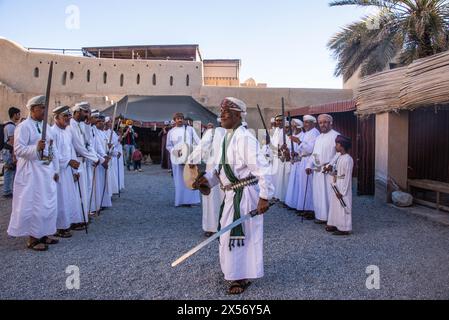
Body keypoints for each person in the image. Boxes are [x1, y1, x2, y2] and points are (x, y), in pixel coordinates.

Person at [194, 97, 274, 295]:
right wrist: (207, 181)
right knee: (227, 235)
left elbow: (262, 168)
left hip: (245, 195)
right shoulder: (228, 137)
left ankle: (240, 276)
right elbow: (221, 168)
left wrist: (265, 196)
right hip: (231, 194)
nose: (221, 114)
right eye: (221, 111)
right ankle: (231, 271)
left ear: (238, 115)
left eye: (226, 111)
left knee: (240, 236)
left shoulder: (245, 138)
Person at [7, 96, 60, 251]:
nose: (44, 111)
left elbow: (52, 148)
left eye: (45, 108)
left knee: (46, 203)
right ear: (32, 109)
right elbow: (18, 150)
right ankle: (33, 238)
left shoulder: (46, 126)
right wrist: (35, 148)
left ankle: (43, 233)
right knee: (34, 204)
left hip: (46, 171)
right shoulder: (23, 127)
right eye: (41, 108)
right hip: (31, 173)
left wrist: (55, 169)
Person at [188, 119, 226, 237]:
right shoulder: (213, 132)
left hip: (220, 168)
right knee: (222, 196)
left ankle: (212, 227)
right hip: (220, 168)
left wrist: (192, 160)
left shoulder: (215, 132)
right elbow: (202, 147)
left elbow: (201, 148)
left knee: (213, 198)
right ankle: (224, 227)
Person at [51, 106, 82, 238]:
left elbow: (71, 150)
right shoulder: (52, 132)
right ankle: (59, 227)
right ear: (56, 118)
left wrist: (75, 167)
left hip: (68, 170)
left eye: (69, 116)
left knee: (69, 197)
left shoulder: (67, 132)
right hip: (57, 171)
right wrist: (68, 162)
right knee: (60, 199)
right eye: (65, 116)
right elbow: (53, 153)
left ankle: (69, 222)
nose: (68, 119)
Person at [68, 102, 99, 228]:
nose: (87, 115)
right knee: (77, 192)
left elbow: (87, 142)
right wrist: (95, 159)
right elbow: (79, 146)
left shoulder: (81, 124)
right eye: (85, 112)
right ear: (77, 111)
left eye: (88, 112)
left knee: (86, 190)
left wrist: (87, 125)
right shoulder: (71, 125)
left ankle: (83, 216)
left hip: (84, 160)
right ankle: (76, 219)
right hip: (76, 161)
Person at [305, 114, 340, 224]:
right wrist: (308, 165)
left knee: (329, 195)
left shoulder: (336, 136)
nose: (322, 124)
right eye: (320, 122)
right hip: (318, 171)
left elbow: (339, 153)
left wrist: (330, 165)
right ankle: (321, 216)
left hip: (329, 171)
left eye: (325, 122)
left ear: (330, 123)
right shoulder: (318, 138)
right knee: (319, 194)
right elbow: (313, 154)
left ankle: (332, 218)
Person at [166, 112, 201, 207]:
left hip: (189, 157)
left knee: (190, 177)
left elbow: (198, 142)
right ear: (174, 120)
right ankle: (180, 200)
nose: (180, 120)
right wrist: (175, 151)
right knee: (179, 179)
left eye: (181, 118)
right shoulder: (171, 132)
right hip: (177, 158)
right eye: (178, 118)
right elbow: (168, 146)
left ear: (184, 119)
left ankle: (190, 201)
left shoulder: (190, 129)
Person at [325, 135, 354, 236]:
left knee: (343, 206)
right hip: (337, 183)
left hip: (343, 186)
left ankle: (344, 228)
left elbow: (347, 177)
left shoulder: (348, 159)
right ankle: (335, 224)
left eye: (337, 144)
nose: (335, 146)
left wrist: (342, 192)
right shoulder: (339, 157)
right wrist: (330, 171)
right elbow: (336, 171)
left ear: (342, 146)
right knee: (335, 206)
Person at [295, 115, 320, 219]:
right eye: (304, 122)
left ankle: (312, 210)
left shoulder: (315, 133)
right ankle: (305, 207)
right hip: (303, 160)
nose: (305, 124)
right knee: (303, 185)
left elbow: (310, 149)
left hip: (310, 160)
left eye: (307, 122)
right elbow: (302, 149)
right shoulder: (307, 133)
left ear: (313, 123)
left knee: (309, 186)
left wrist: (299, 142)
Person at [284, 119, 304, 210]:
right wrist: (288, 151)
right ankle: (291, 203)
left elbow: (305, 150)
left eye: (293, 126)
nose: (291, 128)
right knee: (292, 184)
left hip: (300, 164)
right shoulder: (292, 137)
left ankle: (299, 205)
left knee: (299, 185)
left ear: (297, 126)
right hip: (294, 164)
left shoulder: (303, 136)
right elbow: (288, 150)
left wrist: (297, 153)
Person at [2, 107, 21, 198]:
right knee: (9, 170)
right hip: (9, 151)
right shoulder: (11, 126)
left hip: (7, 151)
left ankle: (8, 190)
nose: (19, 116)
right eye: (18, 114)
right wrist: (14, 156)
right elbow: (12, 141)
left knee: (9, 170)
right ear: (14, 115)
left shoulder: (9, 125)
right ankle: (7, 191)